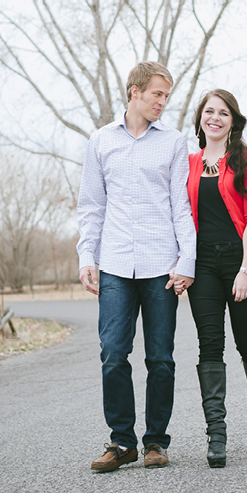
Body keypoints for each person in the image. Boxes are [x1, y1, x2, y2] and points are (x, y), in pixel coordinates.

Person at [77, 61, 197, 472]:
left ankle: (156, 443)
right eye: (157, 94)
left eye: (166, 96)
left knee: (160, 358)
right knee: (113, 353)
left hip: (161, 266)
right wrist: (85, 256)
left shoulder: (174, 142)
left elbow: (181, 207)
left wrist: (187, 259)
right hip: (113, 265)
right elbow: (92, 205)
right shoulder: (101, 141)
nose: (163, 102)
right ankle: (121, 442)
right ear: (135, 91)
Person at [184, 89, 247, 468]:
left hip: (243, 260)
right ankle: (216, 434)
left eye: (223, 113)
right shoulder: (188, 163)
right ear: (200, 119)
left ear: (233, 121)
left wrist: (246, 269)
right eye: (209, 111)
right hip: (202, 265)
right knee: (209, 346)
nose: (215, 118)